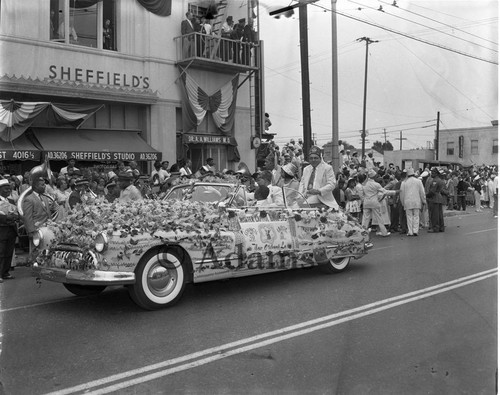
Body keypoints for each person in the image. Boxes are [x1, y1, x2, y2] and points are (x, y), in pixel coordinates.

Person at [22, 176, 60, 260]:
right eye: (42, 185)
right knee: (36, 252)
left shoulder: (44, 197)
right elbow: (27, 217)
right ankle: (33, 266)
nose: (45, 186)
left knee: (47, 251)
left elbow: (48, 213)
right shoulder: (29, 199)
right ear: (35, 186)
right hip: (36, 231)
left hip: (47, 229)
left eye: (45, 184)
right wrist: (31, 232)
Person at [298, 146, 338, 210]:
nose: (313, 160)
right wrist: (300, 196)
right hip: (306, 196)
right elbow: (302, 183)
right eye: (311, 158)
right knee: (294, 205)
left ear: (320, 158)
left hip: (321, 197)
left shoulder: (327, 168)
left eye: (316, 158)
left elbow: (332, 184)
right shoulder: (306, 169)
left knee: (306, 205)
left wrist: (318, 191)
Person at [359, 169, 396, 237]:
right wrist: (395, 192)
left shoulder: (364, 184)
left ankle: (362, 233)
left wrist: (363, 200)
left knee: (365, 219)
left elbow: (361, 194)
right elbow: (385, 192)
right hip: (374, 203)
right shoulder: (376, 184)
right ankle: (384, 232)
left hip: (366, 203)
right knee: (379, 218)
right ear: (374, 176)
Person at [0, 179, 19, 281]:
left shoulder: (11, 201)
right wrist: (6, 218)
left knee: (8, 253)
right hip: (1, 230)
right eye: (5, 189)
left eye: (9, 189)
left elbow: (17, 212)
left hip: (11, 229)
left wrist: (16, 216)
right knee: (1, 252)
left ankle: (5, 272)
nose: (8, 191)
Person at [399, 168, 426, 236]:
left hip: (407, 202)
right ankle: (415, 231)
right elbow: (422, 192)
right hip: (416, 201)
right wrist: (423, 201)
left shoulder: (404, 183)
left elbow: (402, 194)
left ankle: (410, 231)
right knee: (416, 216)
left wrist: (402, 203)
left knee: (409, 216)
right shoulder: (418, 181)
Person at [425, 168, 447, 232]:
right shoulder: (440, 180)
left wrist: (426, 196)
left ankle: (435, 228)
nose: (431, 174)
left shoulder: (435, 181)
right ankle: (441, 227)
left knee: (434, 215)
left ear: (436, 173)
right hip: (439, 198)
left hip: (434, 198)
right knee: (439, 214)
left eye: (433, 173)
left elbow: (432, 191)